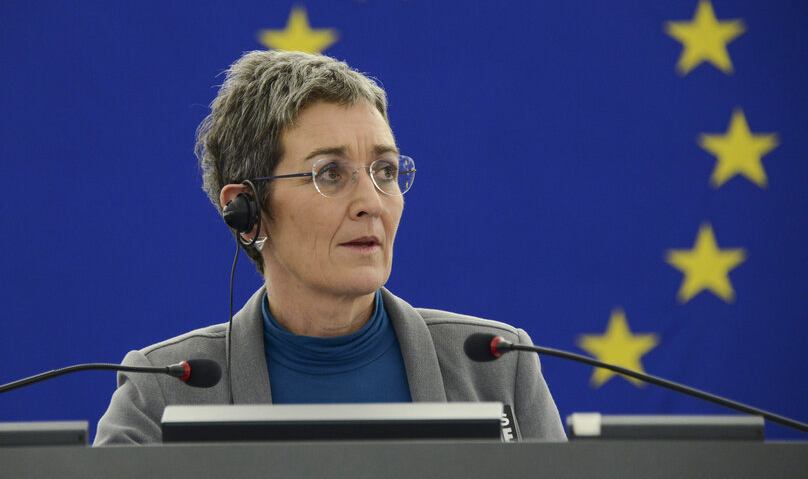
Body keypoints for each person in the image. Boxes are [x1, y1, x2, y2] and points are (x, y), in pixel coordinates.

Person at [94, 50, 565, 444]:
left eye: (385, 171)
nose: (371, 204)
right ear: (246, 209)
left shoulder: (499, 366)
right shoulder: (164, 391)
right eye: (330, 174)